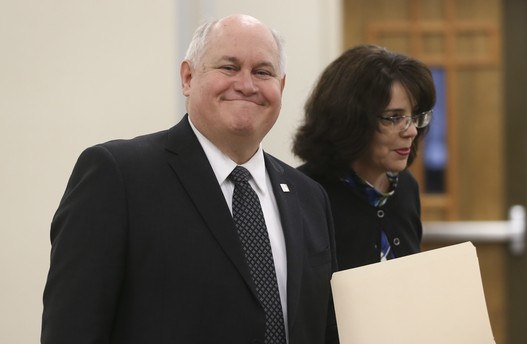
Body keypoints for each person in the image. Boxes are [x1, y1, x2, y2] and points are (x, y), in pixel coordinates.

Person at [42, 14, 338, 344]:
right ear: (187, 78)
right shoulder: (119, 177)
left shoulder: (309, 197)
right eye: (229, 67)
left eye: (262, 72)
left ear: (280, 87)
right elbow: (72, 329)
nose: (246, 84)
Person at [293, 44, 436, 271]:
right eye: (393, 117)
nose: (411, 131)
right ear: (350, 120)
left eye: (415, 115)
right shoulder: (304, 194)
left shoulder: (406, 187)